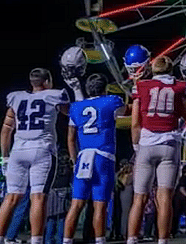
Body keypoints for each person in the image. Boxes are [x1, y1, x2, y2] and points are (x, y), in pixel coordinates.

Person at [0, 68, 70, 244]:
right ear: (47, 81)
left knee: (11, 197)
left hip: (18, 151)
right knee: (38, 197)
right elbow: (72, 113)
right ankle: (36, 241)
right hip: (42, 149)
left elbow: (6, 130)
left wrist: (5, 157)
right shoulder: (54, 95)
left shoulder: (16, 97)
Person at [128, 55, 186, 244]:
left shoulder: (141, 86)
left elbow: (135, 123)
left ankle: (132, 239)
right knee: (165, 197)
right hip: (169, 142)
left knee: (139, 198)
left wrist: (136, 146)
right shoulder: (181, 87)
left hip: (147, 143)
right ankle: (163, 240)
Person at [61, 73, 124, 244]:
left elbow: (71, 138)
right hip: (103, 155)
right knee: (100, 205)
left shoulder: (76, 107)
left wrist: (75, 160)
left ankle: (66, 241)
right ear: (105, 88)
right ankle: (100, 240)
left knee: (76, 204)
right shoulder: (111, 101)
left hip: (83, 157)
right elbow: (124, 111)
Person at [44, 151, 72, 244]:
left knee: (50, 217)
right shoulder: (67, 158)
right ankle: (61, 240)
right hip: (65, 187)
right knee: (62, 217)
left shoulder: (49, 157)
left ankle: (49, 240)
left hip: (52, 188)